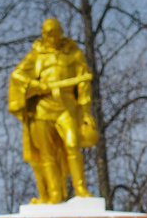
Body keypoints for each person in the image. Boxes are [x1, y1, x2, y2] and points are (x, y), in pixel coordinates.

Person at [9, 16, 99, 204]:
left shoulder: (73, 54)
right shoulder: (35, 55)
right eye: (47, 33)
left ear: (60, 32)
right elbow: (17, 75)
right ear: (43, 34)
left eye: (54, 32)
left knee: (72, 145)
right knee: (46, 153)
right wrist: (36, 85)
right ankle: (54, 194)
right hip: (42, 108)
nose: (51, 37)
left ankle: (80, 188)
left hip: (66, 106)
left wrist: (85, 112)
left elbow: (83, 86)